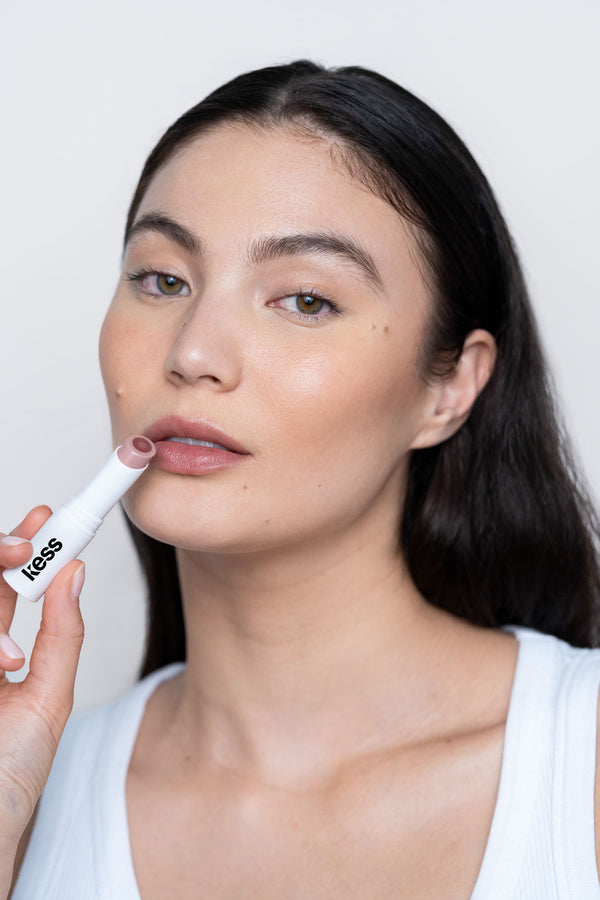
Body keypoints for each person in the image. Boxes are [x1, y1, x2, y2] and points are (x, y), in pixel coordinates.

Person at [1, 60, 599, 899]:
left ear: (450, 388)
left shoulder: (581, 760)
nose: (193, 353)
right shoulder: (26, 794)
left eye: (306, 300)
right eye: (163, 280)